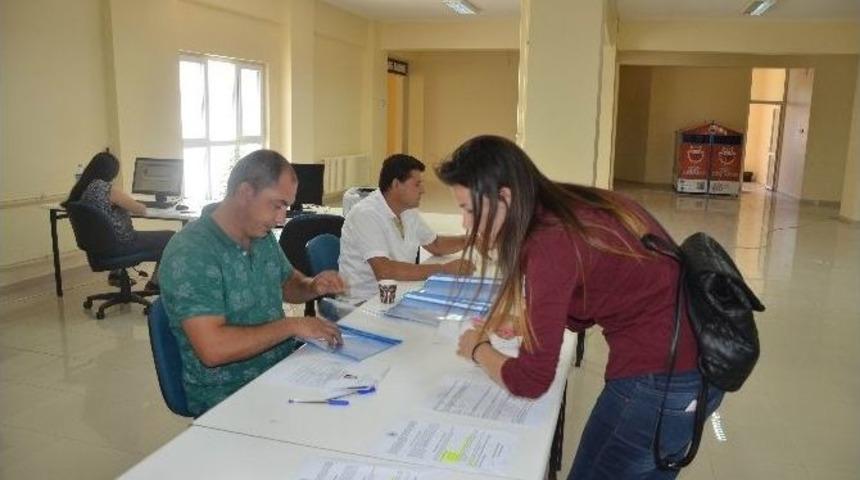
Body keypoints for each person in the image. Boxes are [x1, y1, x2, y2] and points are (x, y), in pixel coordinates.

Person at [437, 135, 724, 479]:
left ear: (505, 197)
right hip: (693, 370)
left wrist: (478, 350)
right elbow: (598, 295)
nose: (465, 224)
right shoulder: (572, 205)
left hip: (660, 383)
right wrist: (530, 318)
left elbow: (531, 380)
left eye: (468, 209)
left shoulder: (550, 241)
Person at [159, 149, 345, 416]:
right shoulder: (192, 252)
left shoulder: (260, 234)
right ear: (245, 193)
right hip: (228, 394)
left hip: (281, 371)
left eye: (287, 207)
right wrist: (292, 325)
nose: (282, 219)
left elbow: (285, 283)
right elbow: (213, 349)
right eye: (277, 205)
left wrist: (312, 285)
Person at [339, 154, 475, 302]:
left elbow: (435, 244)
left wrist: (470, 240)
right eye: (417, 184)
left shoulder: (407, 210)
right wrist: (443, 269)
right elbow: (385, 271)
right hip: (363, 302)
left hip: (398, 293)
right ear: (396, 184)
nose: (423, 190)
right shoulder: (366, 214)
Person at [65, 151, 173, 290]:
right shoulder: (108, 190)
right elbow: (140, 210)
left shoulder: (81, 191)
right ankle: (154, 284)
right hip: (121, 244)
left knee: (113, 230)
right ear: (111, 173)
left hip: (100, 248)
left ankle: (115, 274)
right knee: (171, 237)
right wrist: (134, 202)